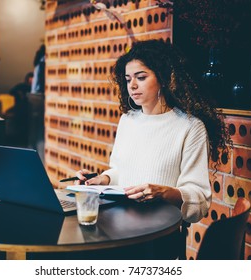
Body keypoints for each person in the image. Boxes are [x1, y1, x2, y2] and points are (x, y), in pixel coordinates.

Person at [74, 39, 231, 259]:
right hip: (117, 227)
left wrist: (164, 192)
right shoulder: (127, 120)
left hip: (157, 237)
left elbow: (200, 201)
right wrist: (103, 179)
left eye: (141, 77)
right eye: (128, 79)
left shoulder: (190, 127)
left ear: (164, 78)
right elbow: (120, 170)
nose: (132, 86)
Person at [4, 72, 33, 146]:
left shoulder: (32, 88)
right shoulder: (21, 86)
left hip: (28, 110)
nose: (31, 80)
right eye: (30, 78)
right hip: (20, 109)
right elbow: (11, 91)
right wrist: (19, 94)